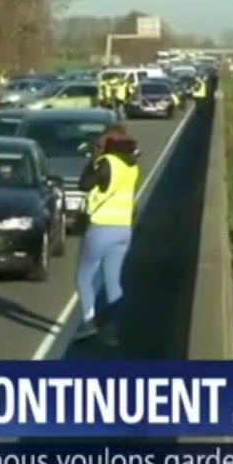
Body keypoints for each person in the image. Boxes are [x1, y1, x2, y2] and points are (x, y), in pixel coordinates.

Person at [73, 123, 140, 342]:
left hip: (101, 227)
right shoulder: (132, 166)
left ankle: (89, 322)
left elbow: (84, 185)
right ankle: (112, 327)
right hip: (124, 229)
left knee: (84, 276)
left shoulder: (107, 163)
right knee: (113, 279)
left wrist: (92, 159)